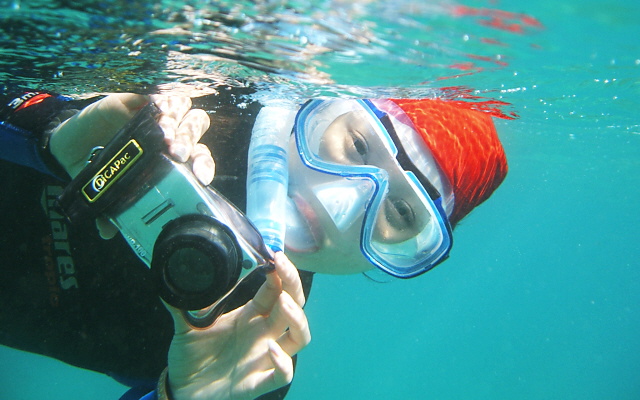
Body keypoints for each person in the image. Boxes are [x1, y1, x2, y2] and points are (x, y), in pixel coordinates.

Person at [0, 86, 508, 400]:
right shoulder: (178, 106)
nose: (338, 205)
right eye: (355, 144)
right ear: (319, 107)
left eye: (398, 213)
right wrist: (49, 132)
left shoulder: (255, 354)